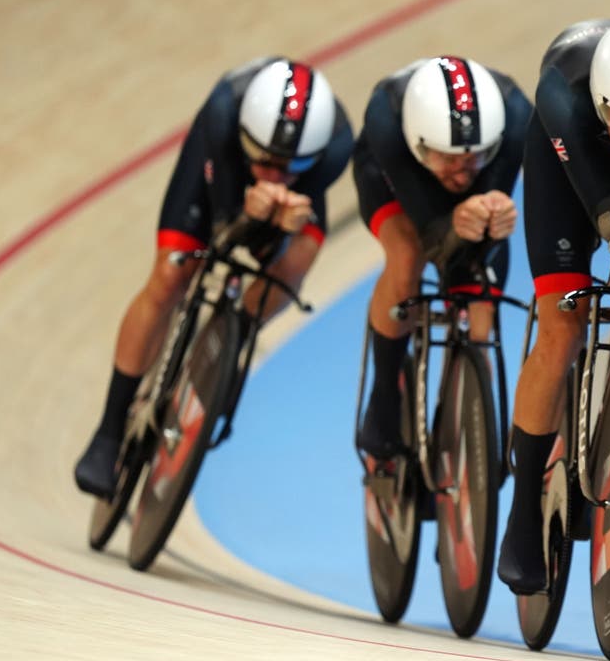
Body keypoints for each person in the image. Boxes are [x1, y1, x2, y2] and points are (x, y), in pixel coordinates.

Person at [74, 57, 354, 497]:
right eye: (265, 162)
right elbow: (225, 234)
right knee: (170, 277)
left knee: (299, 257)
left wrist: (280, 230)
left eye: (288, 168)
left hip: (284, 195)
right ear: (248, 140)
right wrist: (248, 212)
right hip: (218, 176)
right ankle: (108, 432)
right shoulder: (225, 116)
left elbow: (271, 250)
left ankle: (234, 335)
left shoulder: (335, 147)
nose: (276, 175)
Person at [497, 15, 610, 594]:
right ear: (603, 108)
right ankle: (522, 512)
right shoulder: (566, 99)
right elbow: (607, 211)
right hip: (565, 166)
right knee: (563, 327)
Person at [353, 56, 531, 461]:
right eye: (448, 158)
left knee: (480, 314)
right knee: (407, 254)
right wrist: (453, 220)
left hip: (466, 176)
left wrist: (493, 214)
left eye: (473, 157)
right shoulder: (388, 120)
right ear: (420, 143)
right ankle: (383, 398)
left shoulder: (517, 117)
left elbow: (483, 216)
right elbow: (433, 234)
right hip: (393, 182)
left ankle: (467, 417)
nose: (461, 172)